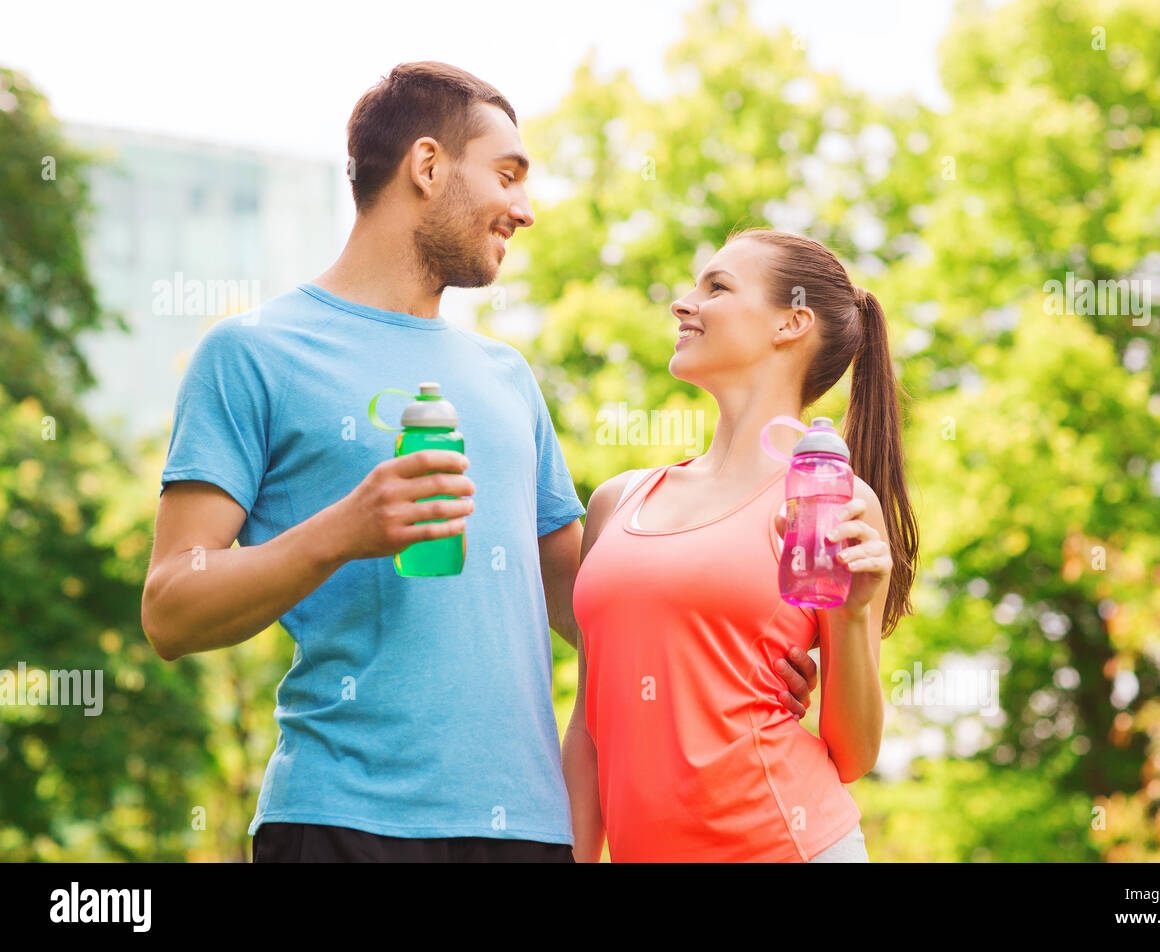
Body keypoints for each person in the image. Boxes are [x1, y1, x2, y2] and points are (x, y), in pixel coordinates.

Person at [141, 62, 814, 863]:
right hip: (340, 823)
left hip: (527, 830)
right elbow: (171, 608)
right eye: (507, 175)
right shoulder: (253, 354)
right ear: (428, 167)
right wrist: (342, 532)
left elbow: (583, 603)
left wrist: (732, 656)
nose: (525, 211)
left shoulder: (505, 378)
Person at [566, 227, 920, 862]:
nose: (683, 303)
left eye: (717, 287)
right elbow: (591, 726)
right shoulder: (617, 501)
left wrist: (853, 609)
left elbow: (854, 753)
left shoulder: (829, 500)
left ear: (791, 322)